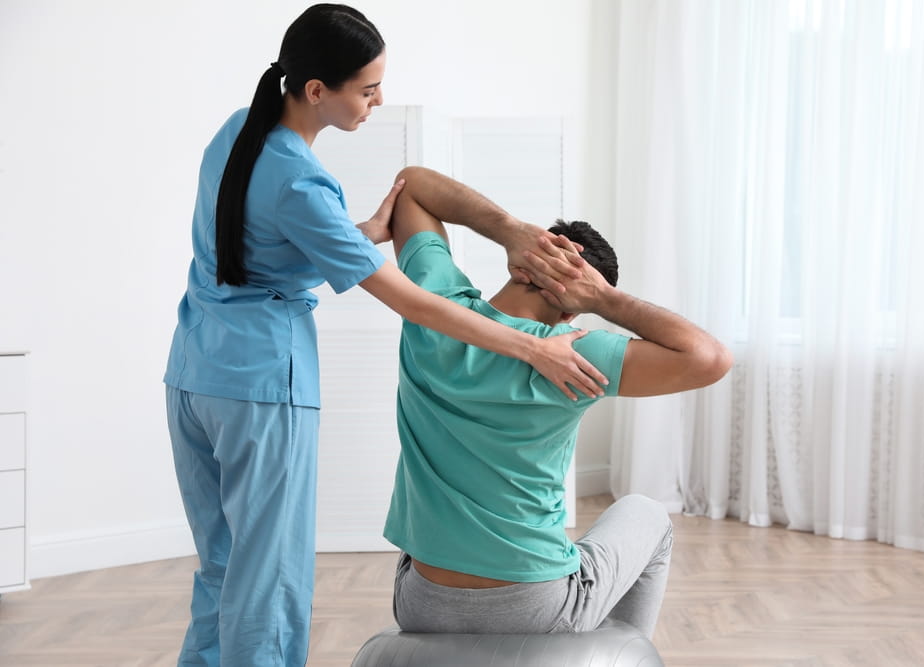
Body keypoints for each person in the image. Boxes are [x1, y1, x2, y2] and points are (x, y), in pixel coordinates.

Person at [163, 5, 608, 666]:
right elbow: (414, 302)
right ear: (318, 91)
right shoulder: (303, 181)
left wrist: (361, 234)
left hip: (194, 372)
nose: (378, 100)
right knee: (269, 575)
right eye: (367, 89)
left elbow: (261, 238)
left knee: (223, 565)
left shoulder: (241, 131)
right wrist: (530, 344)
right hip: (262, 387)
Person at [382, 166, 733, 638]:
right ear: (575, 307)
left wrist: (509, 232)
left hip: (422, 604)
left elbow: (414, 186)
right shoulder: (570, 357)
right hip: (535, 606)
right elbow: (710, 359)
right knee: (649, 516)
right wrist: (606, 300)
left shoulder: (434, 309)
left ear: (519, 265)